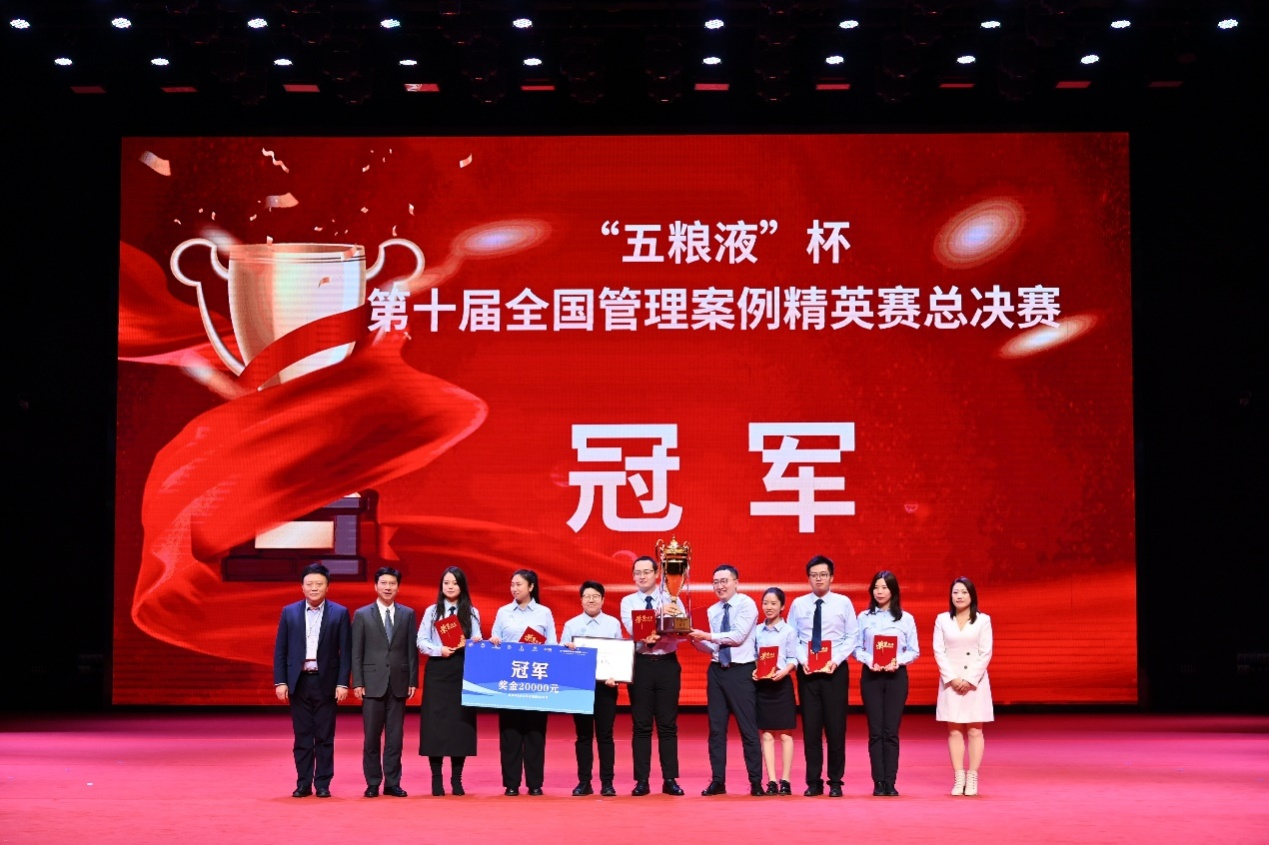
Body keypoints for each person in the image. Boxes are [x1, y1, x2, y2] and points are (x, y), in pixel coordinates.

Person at [272, 563, 351, 798]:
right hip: (299, 682)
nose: (314, 588)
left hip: (326, 681)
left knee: (325, 736)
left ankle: (323, 784)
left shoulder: (340, 613)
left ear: (328, 587)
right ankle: (303, 783)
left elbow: (346, 652)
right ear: (302, 586)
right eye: (309, 584)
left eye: (319, 584)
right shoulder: (289, 612)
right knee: (302, 736)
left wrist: (342, 683)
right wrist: (280, 681)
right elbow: (281, 650)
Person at [689, 564, 764, 797]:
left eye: (724, 581)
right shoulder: (712, 610)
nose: (720, 586)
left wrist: (707, 635)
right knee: (716, 730)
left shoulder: (747, 604)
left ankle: (756, 782)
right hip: (717, 671)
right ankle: (718, 781)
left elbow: (738, 637)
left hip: (741, 671)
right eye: (716, 582)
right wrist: (694, 640)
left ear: (736, 582)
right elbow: (714, 646)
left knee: (748, 729)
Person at [788, 554, 858, 797]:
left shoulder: (843, 603)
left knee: (836, 728)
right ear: (808, 578)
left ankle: (835, 781)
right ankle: (813, 781)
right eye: (814, 575)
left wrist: (835, 660)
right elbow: (792, 637)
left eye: (823, 575)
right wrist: (803, 660)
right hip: (808, 672)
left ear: (832, 577)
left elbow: (852, 636)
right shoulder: (798, 604)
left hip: (835, 672)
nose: (819, 579)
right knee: (811, 729)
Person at [619, 554, 685, 797]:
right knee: (641, 725)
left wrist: (664, 626)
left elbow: (682, 631)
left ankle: (670, 779)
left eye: (647, 572)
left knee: (668, 725)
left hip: (667, 664)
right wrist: (659, 614)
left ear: (657, 574)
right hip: (641, 665)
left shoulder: (672, 596)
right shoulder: (628, 601)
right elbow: (635, 630)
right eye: (637, 572)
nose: (642, 576)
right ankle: (642, 780)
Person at [351, 566, 419, 798]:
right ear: (375, 586)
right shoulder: (362, 614)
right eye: (384, 583)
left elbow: (411, 650)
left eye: (392, 583)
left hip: (399, 682)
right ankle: (372, 782)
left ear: (398, 587)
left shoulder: (407, 614)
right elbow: (356, 651)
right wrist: (358, 681)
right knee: (371, 737)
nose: (388, 587)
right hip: (371, 683)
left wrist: (412, 679)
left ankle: (392, 782)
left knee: (395, 738)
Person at [489, 568, 557, 795]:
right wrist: (494, 641)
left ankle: (535, 784)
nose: (514, 588)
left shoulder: (544, 613)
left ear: (531, 587)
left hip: (536, 679)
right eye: (512, 584)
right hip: (509, 679)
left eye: (518, 584)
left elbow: (552, 645)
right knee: (510, 732)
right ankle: (511, 783)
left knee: (535, 732)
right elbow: (494, 640)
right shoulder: (503, 612)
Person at [417, 566, 483, 796]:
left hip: (462, 671)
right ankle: (436, 779)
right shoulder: (432, 611)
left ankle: (456, 779)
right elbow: (421, 640)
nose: (450, 586)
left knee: (460, 726)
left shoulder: (472, 612)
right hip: (438, 671)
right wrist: (439, 650)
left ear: (462, 586)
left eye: (454, 583)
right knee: (435, 725)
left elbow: (478, 640)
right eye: (446, 583)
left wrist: (474, 642)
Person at [853, 570, 919, 797]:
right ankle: (878, 782)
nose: (879, 592)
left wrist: (896, 661)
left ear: (893, 591)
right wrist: (869, 660)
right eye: (876, 587)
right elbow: (856, 648)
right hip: (871, 676)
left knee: (890, 731)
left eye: (884, 587)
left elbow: (913, 650)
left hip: (896, 677)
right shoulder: (863, 617)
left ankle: (890, 782)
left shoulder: (906, 618)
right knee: (875, 731)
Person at [933, 576, 994, 797]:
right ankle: (959, 776)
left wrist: (969, 680)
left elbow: (985, 652)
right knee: (955, 730)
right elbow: (939, 651)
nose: (959, 596)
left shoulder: (983, 620)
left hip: (975, 683)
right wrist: (952, 678)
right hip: (951, 681)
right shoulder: (942, 619)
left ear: (972, 595)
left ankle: (972, 776)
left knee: (975, 730)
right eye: (955, 592)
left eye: (964, 592)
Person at [560, 580, 621, 797]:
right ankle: (584, 782)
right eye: (587, 596)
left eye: (595, 596)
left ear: (603, 600)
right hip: (580, 687)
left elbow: (619, 655)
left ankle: (607, 783)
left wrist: (617, 675)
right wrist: (567, 649)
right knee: (583, 736)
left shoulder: (612, 624)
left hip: (606, 687)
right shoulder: (572, 625)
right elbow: (562, 656)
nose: (591, 600)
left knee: (605, 736)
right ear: (581, 600)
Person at [753, 587, 798, 795]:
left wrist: (784, 671)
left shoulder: (788, 631)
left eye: (773, 603)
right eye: (765, 603)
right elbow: (753, 656)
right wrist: (755, 670)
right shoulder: (756, 630)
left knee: (786, 735)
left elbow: (793, 658)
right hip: (762, 686)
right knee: (767, 735)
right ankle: (771, 780)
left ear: (782, 606)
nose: (768, 607)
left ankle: (785, 780)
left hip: (782, 685)